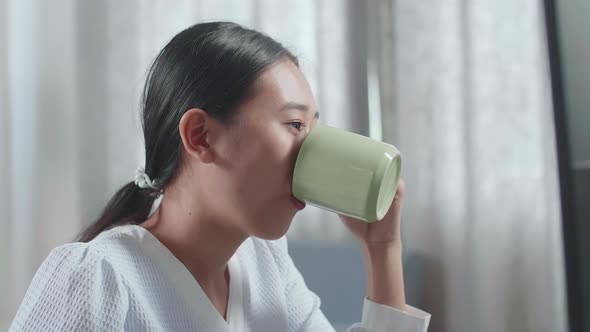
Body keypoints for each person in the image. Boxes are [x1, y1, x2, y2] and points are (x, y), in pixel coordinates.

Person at [9, 22, 431, 331]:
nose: (310, 151)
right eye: (294, 125)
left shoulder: (266, 266)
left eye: (313, 127)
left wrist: (383, 248)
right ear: (201, 136)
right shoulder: (97, 280)